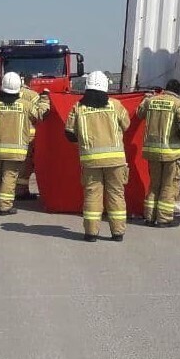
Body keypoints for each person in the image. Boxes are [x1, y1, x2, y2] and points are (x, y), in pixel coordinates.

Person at [65, 71, 130, 242]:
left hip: (90, 160)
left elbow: (69, 133)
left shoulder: (78, 108)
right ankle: (117, 233)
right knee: (116, 194)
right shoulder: (116, 105)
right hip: (115, 160)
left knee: (92, 195)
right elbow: (127, 125)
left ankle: (91, 233)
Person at [0, 72, 48, 215]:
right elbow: (42, 114)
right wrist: (45, 98)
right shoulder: (25, 105)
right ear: (18, 88)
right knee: (9, 178)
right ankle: (5, 207)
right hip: (15, 152)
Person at [136, 79, 180, 227]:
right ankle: (164, 218)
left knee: (154, 185)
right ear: (179, 91)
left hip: (153, 153)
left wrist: (145, 99)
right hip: (173, 153)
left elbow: (139, 114)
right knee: (169, 186)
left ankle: (149, 217)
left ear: (166, 88)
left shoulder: (151, 101)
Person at [14, 78, 47, 200]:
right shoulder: (32, 96)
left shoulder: (5, 96)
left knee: (10, 166)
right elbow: (40, 114)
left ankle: (8, 189)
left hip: (11, 135)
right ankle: (21, 191)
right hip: (28, 135)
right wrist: (45, 99)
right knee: (26, 165)